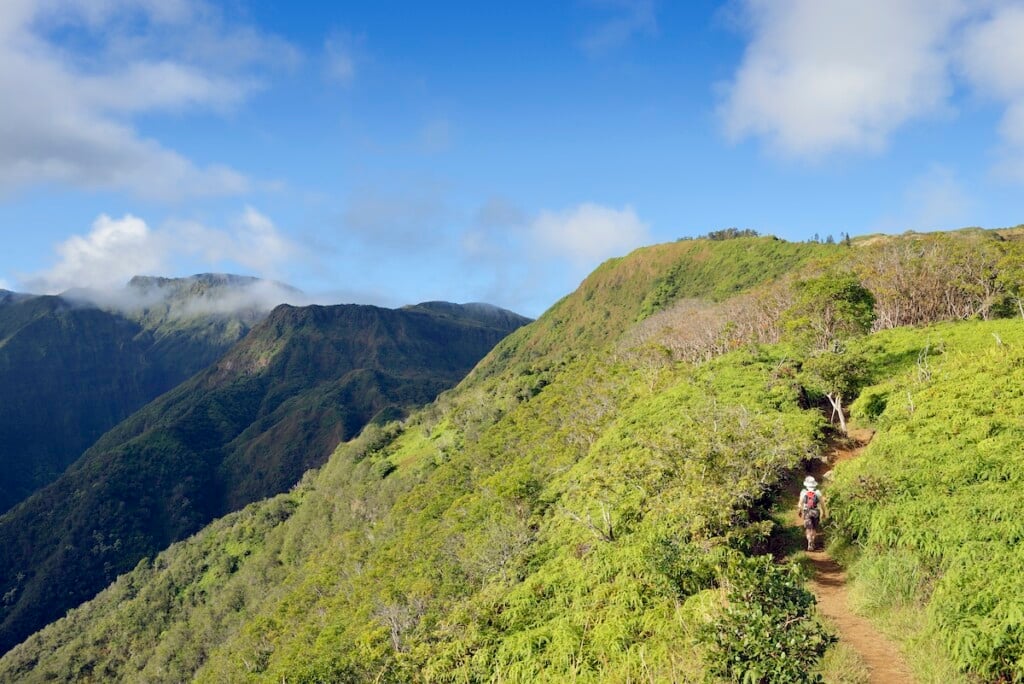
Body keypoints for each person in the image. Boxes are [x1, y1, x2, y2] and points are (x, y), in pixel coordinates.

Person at [797, 476, 823, 551]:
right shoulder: (817, 492)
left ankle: (809, 541)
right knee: (814, 528)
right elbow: (822, 504)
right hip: (815, 512)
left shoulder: (803, 492)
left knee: (808, 528)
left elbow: (800, 503)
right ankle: (813, 541)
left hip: (807, 512)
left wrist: (800, 510)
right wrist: (824, 512)